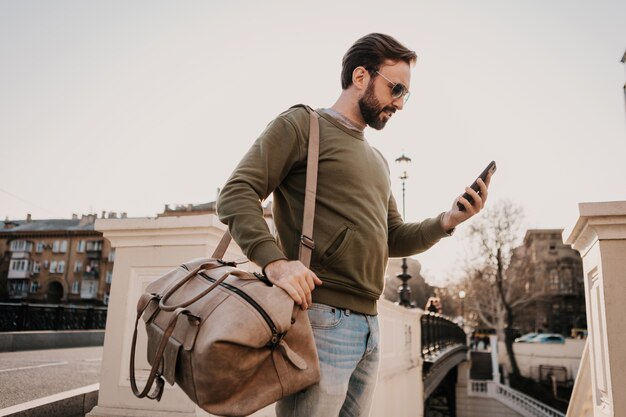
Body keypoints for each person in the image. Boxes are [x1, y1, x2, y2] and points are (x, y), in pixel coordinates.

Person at [217, 33, 492, 417]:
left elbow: (392, 236)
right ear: (360, 76)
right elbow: (235, 193)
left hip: (370, 327)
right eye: (396, 89)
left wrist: (448, 220)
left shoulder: (378, 161)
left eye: (406, 95)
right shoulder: (302, 125)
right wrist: (275, 263)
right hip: (319, 321)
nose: (400, 103)